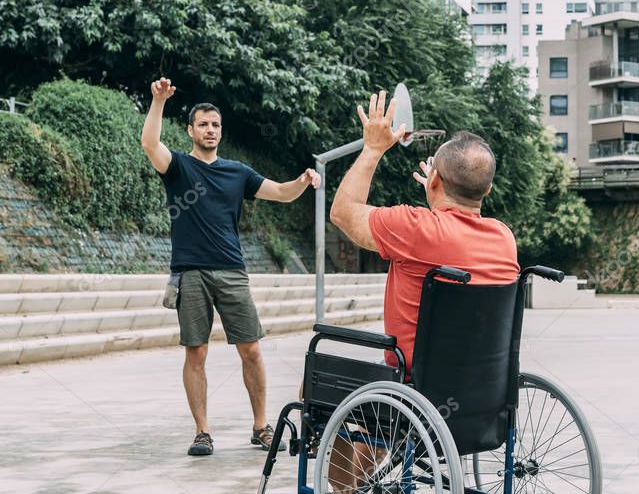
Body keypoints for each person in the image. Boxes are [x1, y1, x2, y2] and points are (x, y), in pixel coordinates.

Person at [141, 76, 320, 457]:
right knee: (196, 352)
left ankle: (260, 427)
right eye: (203, 124)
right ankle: (202, 432)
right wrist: (158, 101)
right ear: (190, 130)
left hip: (231, 271)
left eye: (216, 125)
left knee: (251, 350)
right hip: (190, 271)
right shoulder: (178, 168)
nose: (210, 130)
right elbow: (149, 143)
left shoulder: (238, 173)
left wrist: (303, 180)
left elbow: (281, 193)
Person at [330, 90, 519, 378]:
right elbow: (451, 232)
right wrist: (438, 194)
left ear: (434, 182)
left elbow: (342, 212)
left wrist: (372, 149)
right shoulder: (504, 238)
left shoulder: (413, 228)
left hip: (413, 386)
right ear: (487, 190)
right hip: (482, 388)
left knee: (312, 381)